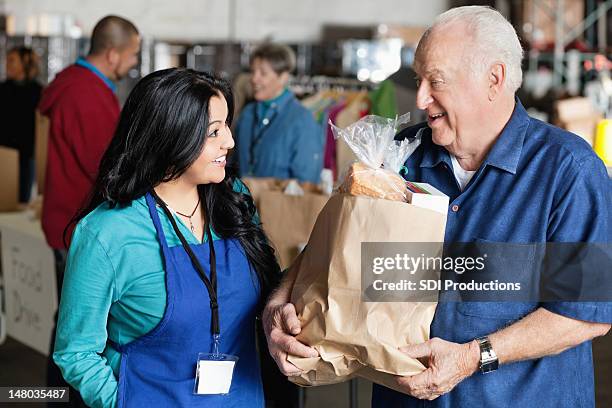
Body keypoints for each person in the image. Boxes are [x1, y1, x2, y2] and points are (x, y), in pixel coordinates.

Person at [262, 6, 611, 408]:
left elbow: (586, 313)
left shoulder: (568, 170)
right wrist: (279, 304)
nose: (422, 97)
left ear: (493, 80)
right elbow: (332, 250)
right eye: (418, 79)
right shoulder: (399, 155)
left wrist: (471, 356)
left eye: (436, 81)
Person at [53, 68, 281, 408]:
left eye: (227, 125)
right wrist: (124, 402)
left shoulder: (232, 200)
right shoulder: (108, 233)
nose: (230, 141)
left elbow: (269, 286)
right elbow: (76, 352)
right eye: (213, 132)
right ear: (172, 135)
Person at [37, 15, 140, 407]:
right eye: (131, 55)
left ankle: (56, 396)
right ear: (112, 53)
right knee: (76, 327)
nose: (132, 62)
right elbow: (106, 167)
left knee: (68, 318)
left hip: (64, 216)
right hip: (78, 224)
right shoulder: (87, 94)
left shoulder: (71, 81)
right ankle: (60, 398)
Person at [233, 43, 323, 183]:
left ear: (283, 77)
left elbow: (307, 182)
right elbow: (233, 166)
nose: (254, 78)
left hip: (280, 204)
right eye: (252, 71)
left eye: (263, 73)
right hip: (241, 203)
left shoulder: (302, 120)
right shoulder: (247, 114)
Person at [0, 46, 43, 204]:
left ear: (25, 63)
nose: (7, 64)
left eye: (12, 60)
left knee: (21, 202)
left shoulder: (39, 92)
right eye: (7, 60)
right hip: (3, 153)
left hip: (26, 156)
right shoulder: (2, 90)